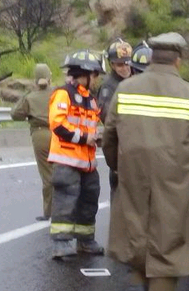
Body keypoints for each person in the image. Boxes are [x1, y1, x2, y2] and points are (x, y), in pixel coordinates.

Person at [102, 32, 189, 291]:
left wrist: (117, 164)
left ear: (151, 57)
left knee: (136, 221)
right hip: (173, 173)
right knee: (168, 229)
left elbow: (109, 136)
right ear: (178, 60)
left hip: (133, 169)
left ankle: (137, 282)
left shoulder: (126, 89)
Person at [47, 50, 104, 259]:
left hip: (87, 162)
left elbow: (89, 125)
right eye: (95, 74)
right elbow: (58, 124)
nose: (97, 79)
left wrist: (96, 136)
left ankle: (86, 240)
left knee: (90, 198)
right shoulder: (64, 94)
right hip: (67, 159)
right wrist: (83, 138)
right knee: (66, 199)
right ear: (86, 74)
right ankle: (61, 243)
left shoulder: (91, 99)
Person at [11, 64, 54, 221]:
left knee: (47, 175)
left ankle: (49, 211)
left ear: (35, 80)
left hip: (40, 135)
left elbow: (16, 114)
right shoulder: (58, 94)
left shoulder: (30, 97)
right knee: (62, 171)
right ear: (50, 77)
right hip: (59, 134)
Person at [98, 38, 132, 194]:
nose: (125, 68)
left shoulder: (136, 81)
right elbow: (106, 116)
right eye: (120, 64)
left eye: (127, 63)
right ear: (111, 64)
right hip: (119, 144)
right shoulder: (108, 86)